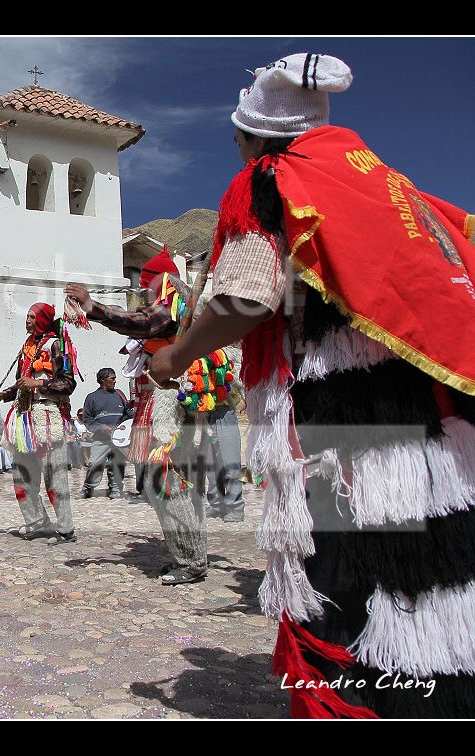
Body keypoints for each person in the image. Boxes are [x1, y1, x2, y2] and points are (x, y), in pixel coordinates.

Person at [148, 53, 475, 718]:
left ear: (257, 139)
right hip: (432, 426)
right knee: (425, 581)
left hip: (342, 426)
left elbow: (246, 297)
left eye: (238, 138)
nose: (238, 150)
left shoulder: (271, 181)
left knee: (345, 579)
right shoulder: (392, 191)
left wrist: (175, 357)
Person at [66, 251, 213, 586]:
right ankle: (189, 555)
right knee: (168, 482)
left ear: (159, 281)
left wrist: (92, 307)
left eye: (147, 285)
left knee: (167, 481)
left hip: (167, 406)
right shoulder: (177, 306)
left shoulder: (170, 305)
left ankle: (190, 560)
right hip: (161, 403)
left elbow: (139, 322)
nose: (144, 292)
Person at [0, 302, 78, 545]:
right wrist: (4, 395)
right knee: (22, 475)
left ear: (42, 320)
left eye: (31, 317)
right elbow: (22, 383)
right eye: (27, 316)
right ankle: (37, 521)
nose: (27, 320)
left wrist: (38, 384)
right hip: (24, 419)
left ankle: (66, 528)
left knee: (54, 476)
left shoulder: (56, 345)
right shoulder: (27, 346)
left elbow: (68, 383)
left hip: (47, 417)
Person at [204, 344, 246, 523]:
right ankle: (216, 503)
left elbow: (240, 380)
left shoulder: (231, 354)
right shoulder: (198, 353)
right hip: (203, 411)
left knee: (230, 461)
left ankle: (236, 506)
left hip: (224, 410)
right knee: (210, 463)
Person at [78, 367, 133, 499]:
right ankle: (88, 489)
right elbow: (88, 420)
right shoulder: (92, 398)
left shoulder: (119, 394)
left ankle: (115, 488)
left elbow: (128, 414)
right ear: (103, 380)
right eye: (112, 378)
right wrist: (100, 427)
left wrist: (125, 426)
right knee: (95, 463)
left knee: (118, 463)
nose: (115, 381)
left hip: (118, 439)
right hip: (101, 438)